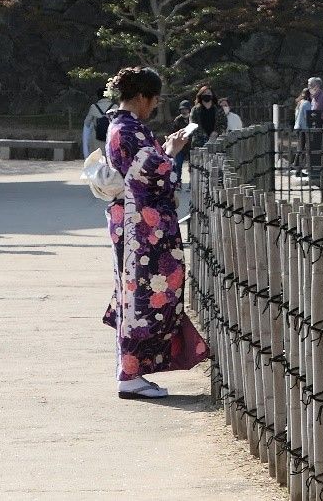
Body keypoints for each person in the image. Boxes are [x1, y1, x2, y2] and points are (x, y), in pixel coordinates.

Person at [101, 66, 208, 399]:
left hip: (132, 221)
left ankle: (132, 370)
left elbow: (143, 167)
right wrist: (171, 153)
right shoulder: (130, 128)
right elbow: (150, 175)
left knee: (137, 295)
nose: (154, 107)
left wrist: (162, 152)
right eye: (154, 101)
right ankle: (130, 374)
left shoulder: (120, 125)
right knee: (143, 297)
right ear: (143, 97)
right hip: (140, 226)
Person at [188, 86, 227, 150]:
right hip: (199, 144)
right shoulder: (195, 110)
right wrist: (205, 136)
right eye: (204, 93)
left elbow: (224, 123)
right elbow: (192, 125)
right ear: (201, 95)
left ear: (212, 95)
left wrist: (216, 132)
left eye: (209, 93)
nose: (207, 94)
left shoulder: (218, 109)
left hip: (216, 142)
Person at [82, 93, 118, 159]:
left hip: (97, 137)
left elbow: (87, 123)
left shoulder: (94, 107)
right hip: (110, 137)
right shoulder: (115, 107)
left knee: (97, 158)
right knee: (109, 157)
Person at [170, 100, 193, 189]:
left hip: (191, 145)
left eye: (186, 109)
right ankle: (178, 182)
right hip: (180, 146)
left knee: (192, 165)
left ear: (189, 109)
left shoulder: (192, 118)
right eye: (182, 109)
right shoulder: (177, 120)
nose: (184, 111)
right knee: (178, 165)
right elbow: (174, 132)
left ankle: (192, 183)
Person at [293, 88, 312, 175]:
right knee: (302, 149)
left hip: (297, 126)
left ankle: (297, 166)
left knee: (300, 147)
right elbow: (307, 116)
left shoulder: (299, 103)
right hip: (303, 128)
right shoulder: (307, 103)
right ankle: (298, 168)